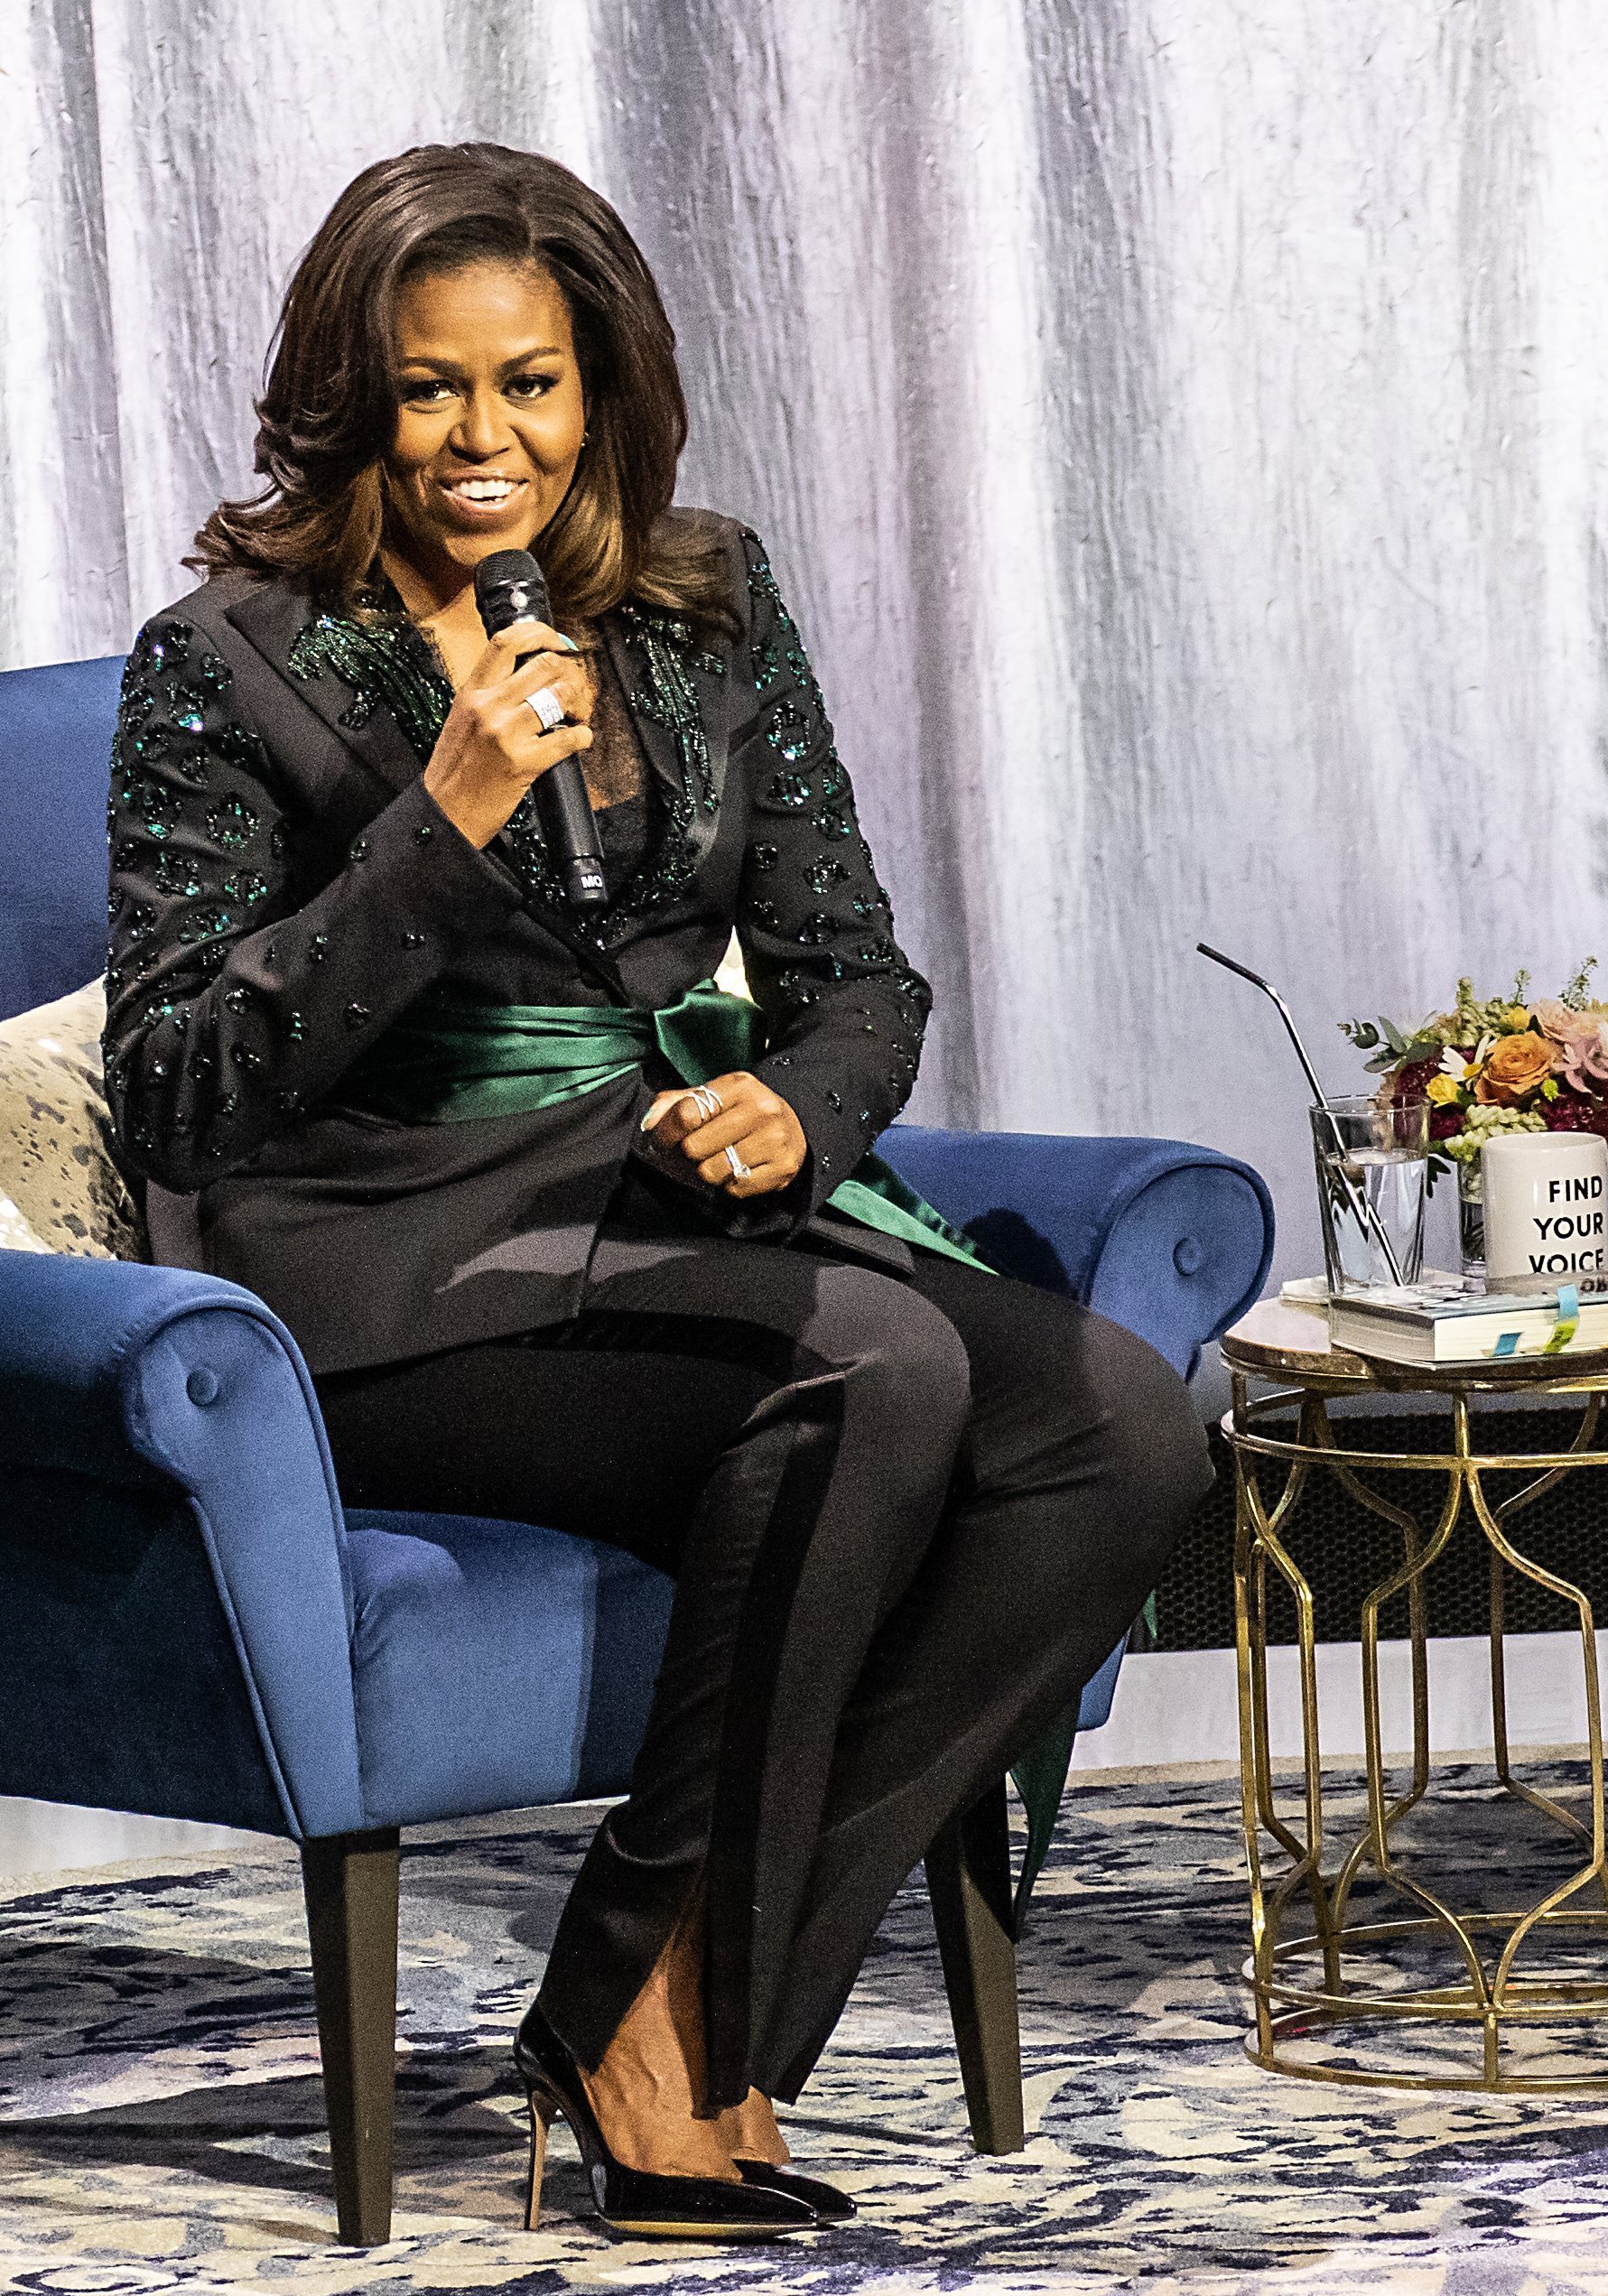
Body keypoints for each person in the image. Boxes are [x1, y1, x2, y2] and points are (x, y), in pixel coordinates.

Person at [103, 142, 1206, 2242]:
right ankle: (653, 2044)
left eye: (528, 385)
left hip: (662, 1226)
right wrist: (439, 824)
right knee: (868, 1361)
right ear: (356, 393)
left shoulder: (699, 606)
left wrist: (800, 1105)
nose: (481, 440)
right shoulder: (226, 662)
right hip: (382, 1275)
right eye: (431, 389)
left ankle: (687, 2002)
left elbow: (856, 976)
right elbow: (175, 1092)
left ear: (598, 388)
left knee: (1119, 1432)